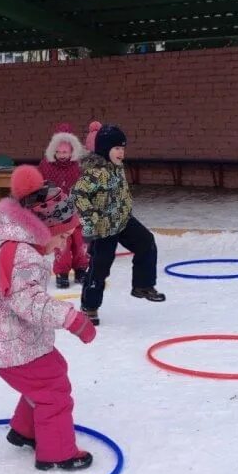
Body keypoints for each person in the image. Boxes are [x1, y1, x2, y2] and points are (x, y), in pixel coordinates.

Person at [0, 164, 97, 470]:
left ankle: (25, 431)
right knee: (53, 391)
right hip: (8, 342)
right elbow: (27, 301)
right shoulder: (22, 254)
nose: (64, 244)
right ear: (46, 228)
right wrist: (72, 319)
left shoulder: (20, 245)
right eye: (63, 236)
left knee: (53, 371)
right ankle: (58, 453)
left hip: (10, 337)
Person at [72, 124, 165, 326]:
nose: (121, 153)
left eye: (123, 149)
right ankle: (89, 306)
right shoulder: (95, 172)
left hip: (122, 220)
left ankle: (142, 285)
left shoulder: (118, 166)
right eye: (116, 149)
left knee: (146, 242)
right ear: (105, 149)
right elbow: (78, 195)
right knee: (100, 267)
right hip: (103, 227)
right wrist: (93, 218)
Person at [38, 123, 89, 288]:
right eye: (58, 152)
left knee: (80, 242)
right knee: (62, 243)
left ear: (72, 151)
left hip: (78, 209)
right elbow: (39, 183)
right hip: (57, 211)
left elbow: (88, 183)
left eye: (65, 152)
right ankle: (62, 272)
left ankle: (81, 269)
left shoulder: (79, 165)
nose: (61, 155)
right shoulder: (46, 164)